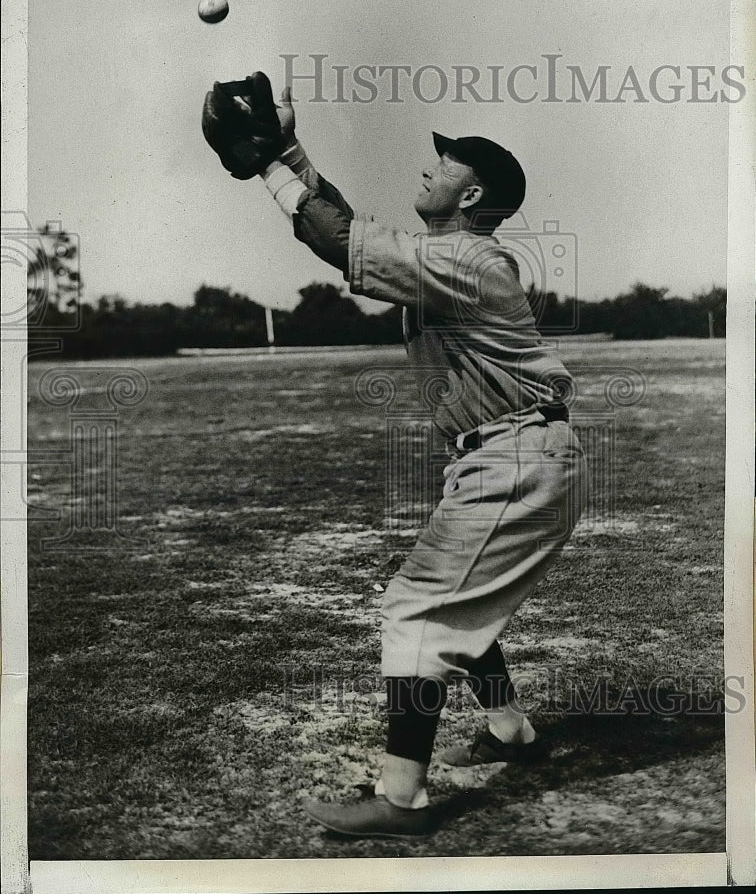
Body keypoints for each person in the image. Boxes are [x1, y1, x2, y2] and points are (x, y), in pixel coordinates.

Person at [202, 74, 589, 838]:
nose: (429, 168)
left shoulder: (471, 263)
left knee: (415, 608)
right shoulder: (445, 256)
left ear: (473, 198)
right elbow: (349, 224)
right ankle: (512, 731)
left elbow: (334, 238)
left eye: (446, 164)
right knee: (450, 597)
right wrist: (286, 150)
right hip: (512, 456)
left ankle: (402, 799)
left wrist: (273, 167)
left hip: (516, 458)